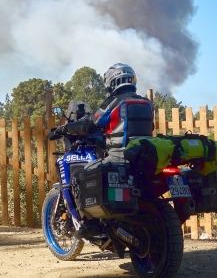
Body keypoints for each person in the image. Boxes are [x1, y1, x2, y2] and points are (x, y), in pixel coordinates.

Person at [60, 63, 154, 238]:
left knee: (80, 176)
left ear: (112, 82)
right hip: (146, 158)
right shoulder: (147, 103)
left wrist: (65, 129)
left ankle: (91, 225)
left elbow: (90, 123)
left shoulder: (114, 102)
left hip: (120, 158)